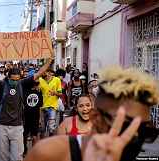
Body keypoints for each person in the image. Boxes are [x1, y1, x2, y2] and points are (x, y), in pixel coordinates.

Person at [24, 66, 159, 161]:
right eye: (125, 125)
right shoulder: (49, 153)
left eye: (145, 130)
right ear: (95, 117)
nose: (135, 137)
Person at [0, 59, 53, 161]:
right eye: (13, 80)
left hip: (17, 127)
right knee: (2, 157)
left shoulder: (22, 83)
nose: (15, 82)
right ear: (8, 78)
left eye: (17, 79)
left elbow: (39, 73)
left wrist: (49, 61)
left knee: (17, 157)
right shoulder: (1, 84)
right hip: (1, 126)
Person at [39, 69, 62, 137]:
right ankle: (42, 144)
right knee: (42, 128)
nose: (42, 73)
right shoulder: (40, 80)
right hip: (42, 106)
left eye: (43, 72)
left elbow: (60, 94)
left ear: (49, 73)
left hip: (52, 106)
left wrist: (55, 93)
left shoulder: (57, 80)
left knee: (51, 128)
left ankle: (50, 142)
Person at [23, 79, 43, 155]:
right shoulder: (39, 93)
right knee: (34, 135)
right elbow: (40, 107)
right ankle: (34, 152)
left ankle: (25, 150)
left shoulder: (25, 92)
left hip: (26, 116)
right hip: (35, 116)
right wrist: (40, 119)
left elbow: (22, 105)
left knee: (25, 134)